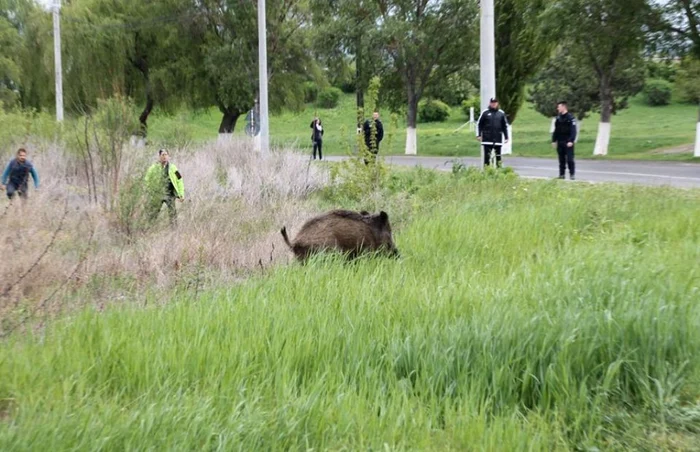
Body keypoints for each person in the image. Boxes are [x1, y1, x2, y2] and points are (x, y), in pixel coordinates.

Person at [145, 149, 184, 226]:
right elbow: (147, 179)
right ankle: (149, 228)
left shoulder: (173, 168)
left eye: (166, 155)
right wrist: (150, 190)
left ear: (168, 156)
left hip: (170, 194)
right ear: (159, 156)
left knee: (172, 213)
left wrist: (181, 193)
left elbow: (180, 180)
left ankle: (174, 230)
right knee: (153, 213)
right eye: (163, 155)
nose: (164, 157)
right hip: (158, 194)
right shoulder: (153, 168)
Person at [476, 97, 509, 167]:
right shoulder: (485, 113)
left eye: (495, 103)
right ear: (490, 103)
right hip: (487, 139)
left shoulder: (501, 113)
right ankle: (487, 172)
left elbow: (505, 126)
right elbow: (479, 124)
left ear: (497, 103)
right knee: (487, 158)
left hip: (497, 139)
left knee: (498, 157)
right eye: (492, 103)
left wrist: (506, 137)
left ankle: (499, 171)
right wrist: (478, 135)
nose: (493, 104)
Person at [551, 101, 578, 180]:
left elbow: (573, 131)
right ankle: (561, 175)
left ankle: (572, 174)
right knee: (561, 159)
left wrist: (571, 141)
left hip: (568, 142)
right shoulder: (558, 118)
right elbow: (556, 130)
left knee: (570, 159)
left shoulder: (571, 118)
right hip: (560, 141)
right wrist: (554, 140)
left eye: (559, 107)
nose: (557, 108)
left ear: (563, 107)